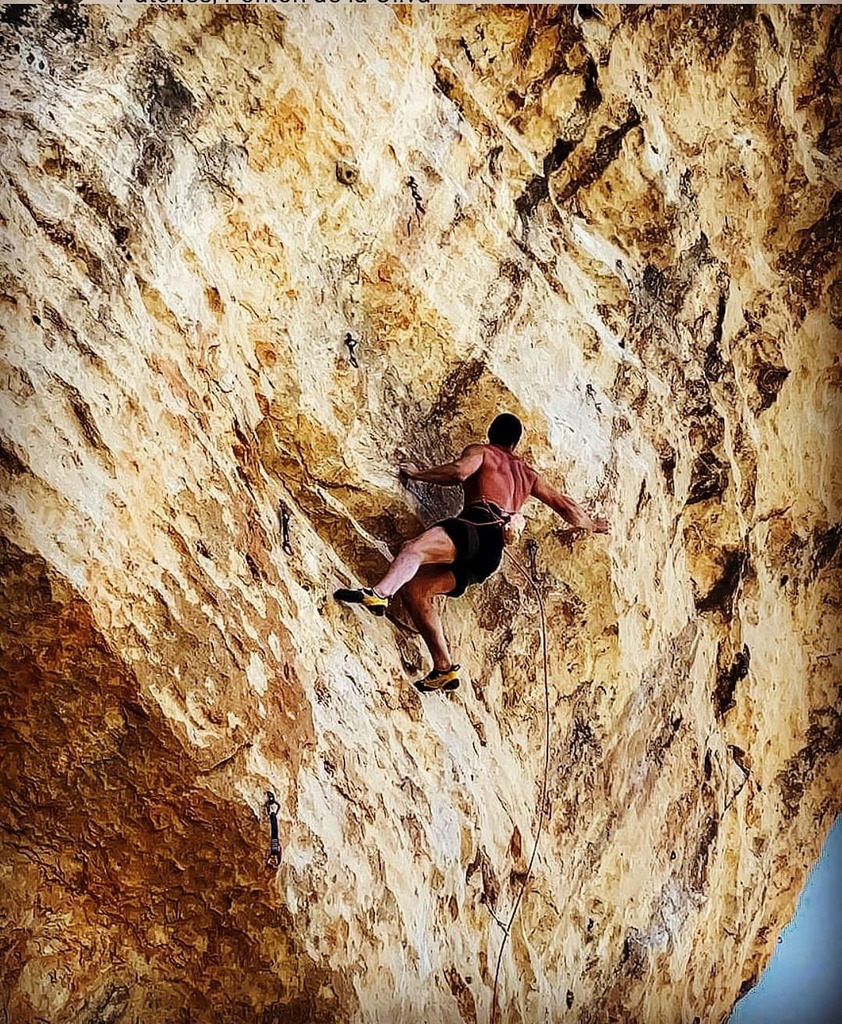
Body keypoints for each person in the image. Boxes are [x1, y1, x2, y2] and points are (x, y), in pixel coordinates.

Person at [334, 413, 608, 692]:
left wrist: (417, 473)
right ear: (514, 443)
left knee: (413, 549)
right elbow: (566, 507)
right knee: (416, 589)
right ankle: (444, 668)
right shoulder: (528, 475)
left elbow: (459, 472)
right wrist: (592, 525)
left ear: (491, 434)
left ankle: (379, 595)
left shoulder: (482, 451)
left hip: (475, 526)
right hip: (491, 555)